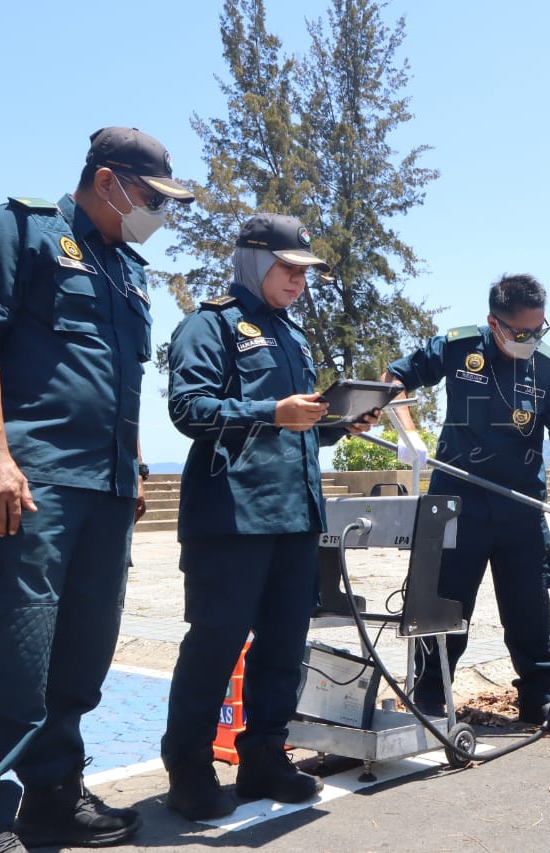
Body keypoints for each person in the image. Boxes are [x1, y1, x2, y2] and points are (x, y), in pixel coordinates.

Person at [0, 127, 194, 853]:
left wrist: (132, 462)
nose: (159, 214)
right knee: (10, 653)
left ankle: (53, 796)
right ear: (107, 180)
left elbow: (113, 375)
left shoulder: (126, 268)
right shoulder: (19, 230)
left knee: (80, 656)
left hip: (105, 487)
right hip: (30, 484)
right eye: (151, 198)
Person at [160, 213, 377, 821]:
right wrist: (270, 411)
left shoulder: (293, 336)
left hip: (295, 517)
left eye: (305, 273)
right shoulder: (210, 325)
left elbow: (298, 427)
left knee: (283, 645)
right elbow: (188, 408)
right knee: (215, 644)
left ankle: (264, 758)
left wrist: (340, 422)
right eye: (287, 269)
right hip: (231, 517)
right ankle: (189, 770)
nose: (298, 282)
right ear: (254, 261)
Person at [381, 273, 550, 730]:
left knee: (530, 608)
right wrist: (407, 432)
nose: (531, 340)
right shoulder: (458, 349)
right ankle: (430, 697)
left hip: (519, 508)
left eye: (538, 330)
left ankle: (539, 700)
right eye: (521, 333)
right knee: (445, 604)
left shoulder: (549, 369)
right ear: (494, 323)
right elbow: (396, 378)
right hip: (457, 503)